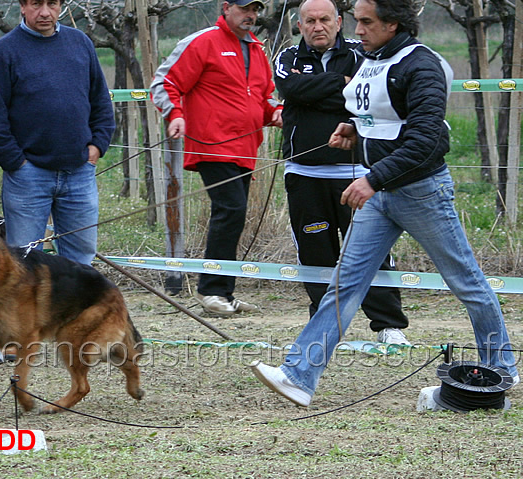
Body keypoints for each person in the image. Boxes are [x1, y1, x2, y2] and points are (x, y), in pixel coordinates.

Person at [251, 0, 519, 407]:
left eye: (365, 22)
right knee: (344, 286)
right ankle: (298, 376)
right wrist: (354, 129)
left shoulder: (421, 65)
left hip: (421, 193)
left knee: (468, 284)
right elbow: (385, 118)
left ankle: (502, 370)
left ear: (392, 24)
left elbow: (428, 141)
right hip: (382, 195)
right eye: (357, 21)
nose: (356, 30)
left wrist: (372, 178)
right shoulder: (375, 58)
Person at [276, 0, 410, 345]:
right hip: (305, 175)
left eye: (324, 20)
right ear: (300, 24)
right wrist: (343, 85)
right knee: (315, 253)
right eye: (309, 21)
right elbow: (292, 90)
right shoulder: (287, 58)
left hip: (358, 174)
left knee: (371, 250)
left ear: (338, 22)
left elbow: (370, 95)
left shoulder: (362, 53)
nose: (317, 26)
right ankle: (323, 330)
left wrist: (322, 92)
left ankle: (387, 325)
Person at [150, 0, 283, 316]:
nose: (250, 15)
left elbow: (263, 96)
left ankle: (223, 291)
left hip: (245, 150)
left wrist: (275, 111)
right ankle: (211, 291)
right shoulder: (203, 41)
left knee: (234, 215)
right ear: (226, 8)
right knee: (230, 209)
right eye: (244, 8)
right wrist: (174, 115)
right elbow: (163, 83)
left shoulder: (257, 49)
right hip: (211, 145)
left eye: (255, 10)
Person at [0, 0, 115, 266]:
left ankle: (72, 309)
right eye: (36, 4)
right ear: (22, 6)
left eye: (52, 4)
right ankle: (26, 310)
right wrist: (16, 163)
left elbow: (100, 100)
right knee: (23, 263)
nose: (44, 12)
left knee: (80, 262)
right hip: (28, 177)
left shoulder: (80, 44)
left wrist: (97, 147)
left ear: (60, 6)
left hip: (79, 173)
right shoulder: (3, 52)